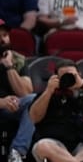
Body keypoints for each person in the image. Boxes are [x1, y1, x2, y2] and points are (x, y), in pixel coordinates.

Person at [28, 59, 83, 162]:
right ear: (56, 78)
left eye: (72, 75)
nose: (68, 79)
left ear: (79, 75)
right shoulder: (49, 94)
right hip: (56, 142)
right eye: (64, 76)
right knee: (43, 147)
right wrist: (49, 91)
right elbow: (34, 117)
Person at [0, 19, 35, 162]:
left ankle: (16, 153)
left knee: (34, 100)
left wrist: (9, 66)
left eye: (5, 35)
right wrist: (1, 102)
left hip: (12, 106)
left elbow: (25, 94)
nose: (3, 40)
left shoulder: (18, 59)